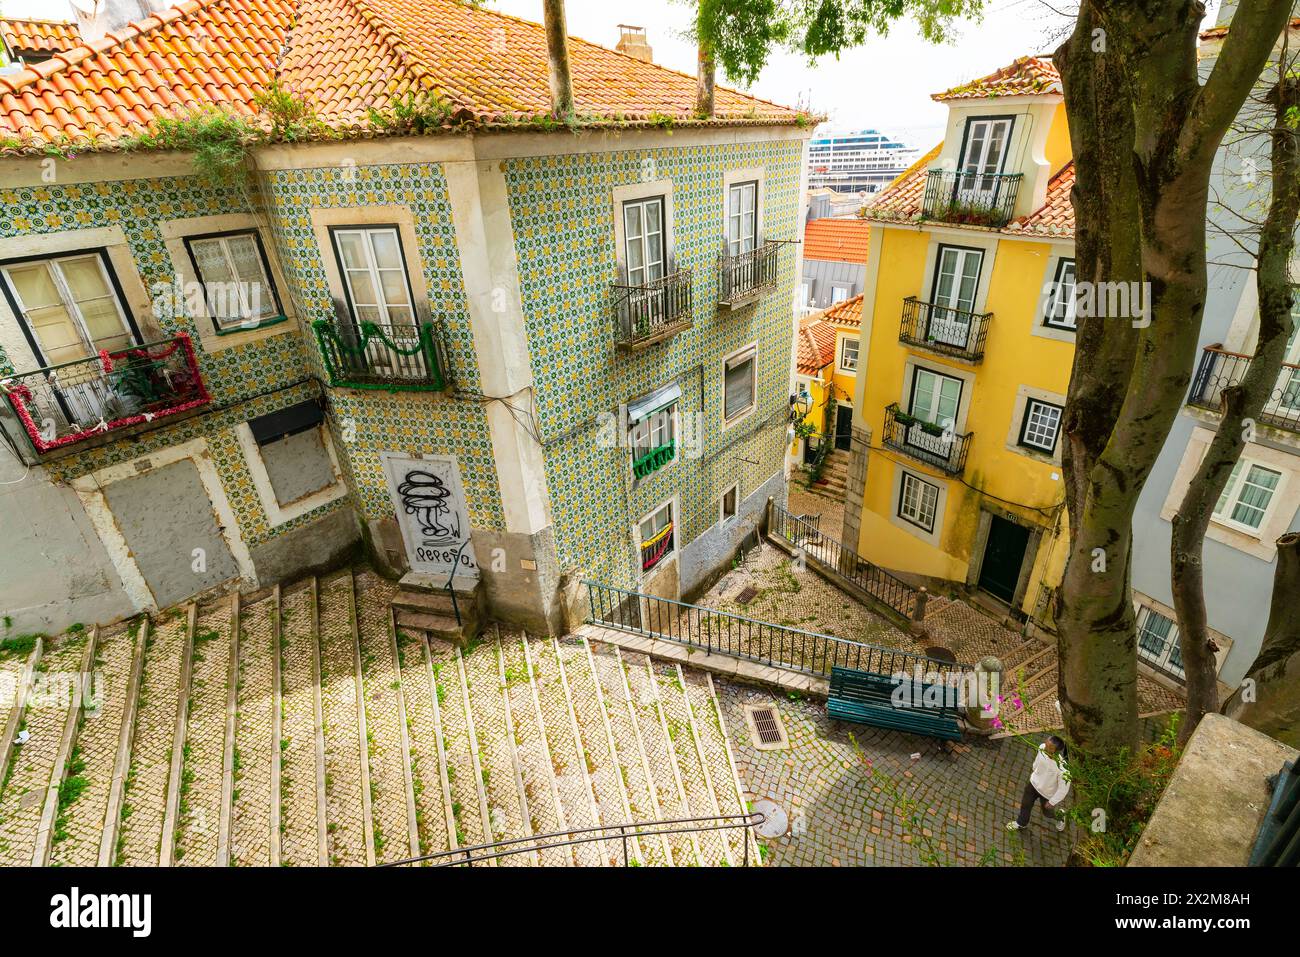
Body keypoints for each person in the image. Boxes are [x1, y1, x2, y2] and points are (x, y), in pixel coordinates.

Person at [1006, 735, 1070, 832]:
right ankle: (1021, 823)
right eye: (1046, 744)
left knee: (1048, 814)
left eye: (1049, 747)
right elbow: (1037, 762)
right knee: (1025, 804)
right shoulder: (1042, 747)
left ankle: (1060, 816)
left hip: (1047, 794)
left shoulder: (1063, 769)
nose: (1045, 748)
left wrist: (1052, 801)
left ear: (1056, 751)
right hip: (1033, 785)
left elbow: (1063, 789)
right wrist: (1035, 771)